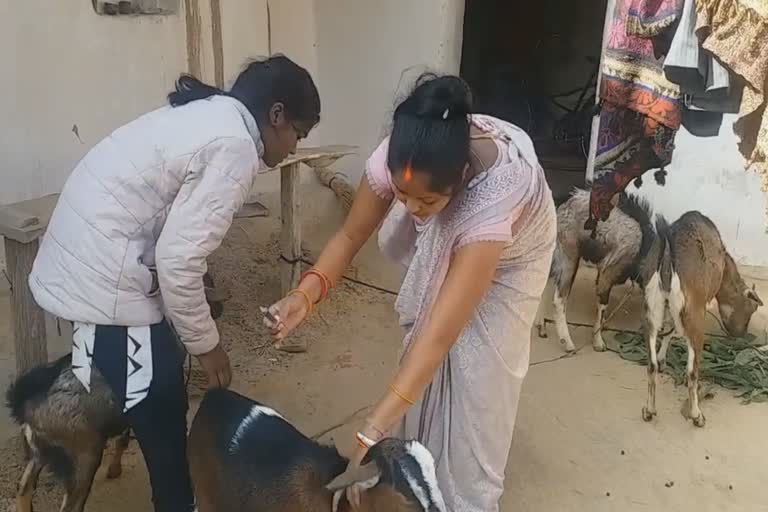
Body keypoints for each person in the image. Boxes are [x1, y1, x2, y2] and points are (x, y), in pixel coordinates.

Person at [28, 54, 321, 512]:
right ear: (276, 115)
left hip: (85, 259)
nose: (294, 149)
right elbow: (178, 261)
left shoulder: (211, 115)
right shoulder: (236, 146)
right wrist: (209, 345)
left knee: (159, 369)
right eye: (298, 135)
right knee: (161, 400)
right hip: (103, 277)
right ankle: (176, 502)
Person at [264, 73, 557, 511]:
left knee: (480, 390)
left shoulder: (494, 198)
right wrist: (304, 297)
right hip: (463, 224)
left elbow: (438, 339)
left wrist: (371, 428)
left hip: (514, 261)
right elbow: (348, 237)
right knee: (425, 375)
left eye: (426, 203)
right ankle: (423, 478)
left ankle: (466, 500)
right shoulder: (403, 157)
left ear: (459, 178)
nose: (410, 210)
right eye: (402, 195)